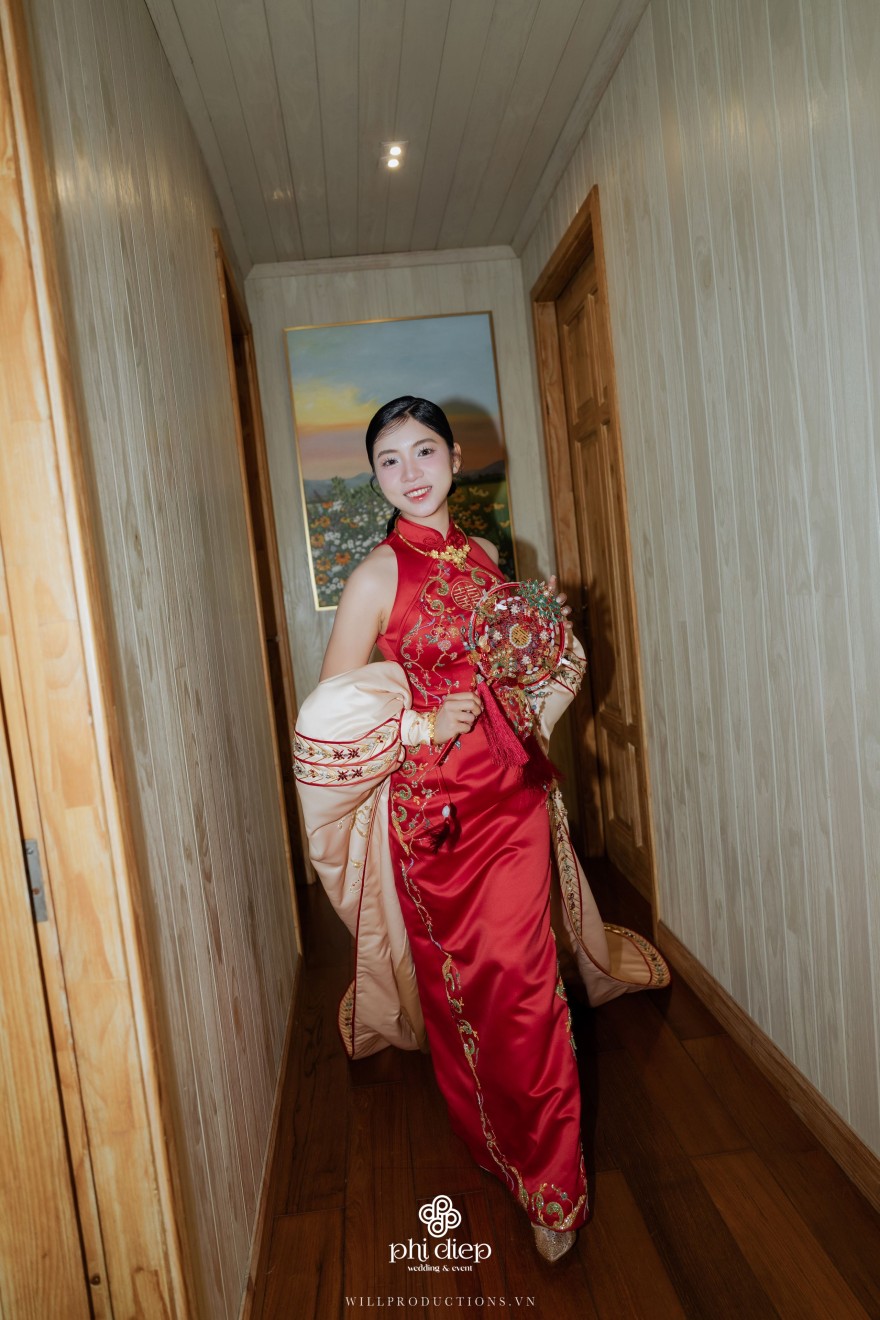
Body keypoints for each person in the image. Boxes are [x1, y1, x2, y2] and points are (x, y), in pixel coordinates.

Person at [294, 396, 669, 1264]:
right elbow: (328, 716)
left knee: (528, 984)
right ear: (376, 478)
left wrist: (541, 643)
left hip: (514, 794)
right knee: (474, 988)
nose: (411, 473)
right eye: (390, 461)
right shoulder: (376, 577)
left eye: (425, 451)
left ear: (457, 459)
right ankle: (496, 1136)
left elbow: (508, 672)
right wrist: (420, 724)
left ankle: (551, 1185)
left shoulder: (491, 556)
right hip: (437, 817)